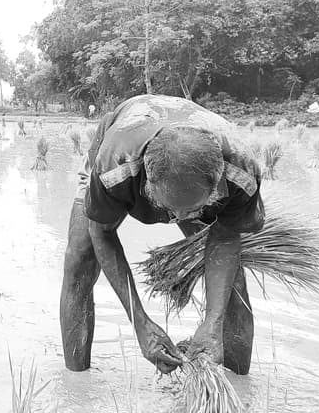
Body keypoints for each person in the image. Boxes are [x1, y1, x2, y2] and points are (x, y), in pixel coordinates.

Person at [60, 94, 263, 376]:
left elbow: (227, 237)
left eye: (191, 210)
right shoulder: (115, 167)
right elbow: (101, 231)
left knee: (233, 285)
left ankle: (237, 388)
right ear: (148, 185)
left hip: (196, 163)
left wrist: (212, 321)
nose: (178, 221)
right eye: (171, 210)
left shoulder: (241, 173)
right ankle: (76, 383)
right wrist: (140, 323)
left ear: (217, 184)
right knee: (80, 259)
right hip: (125, 139)